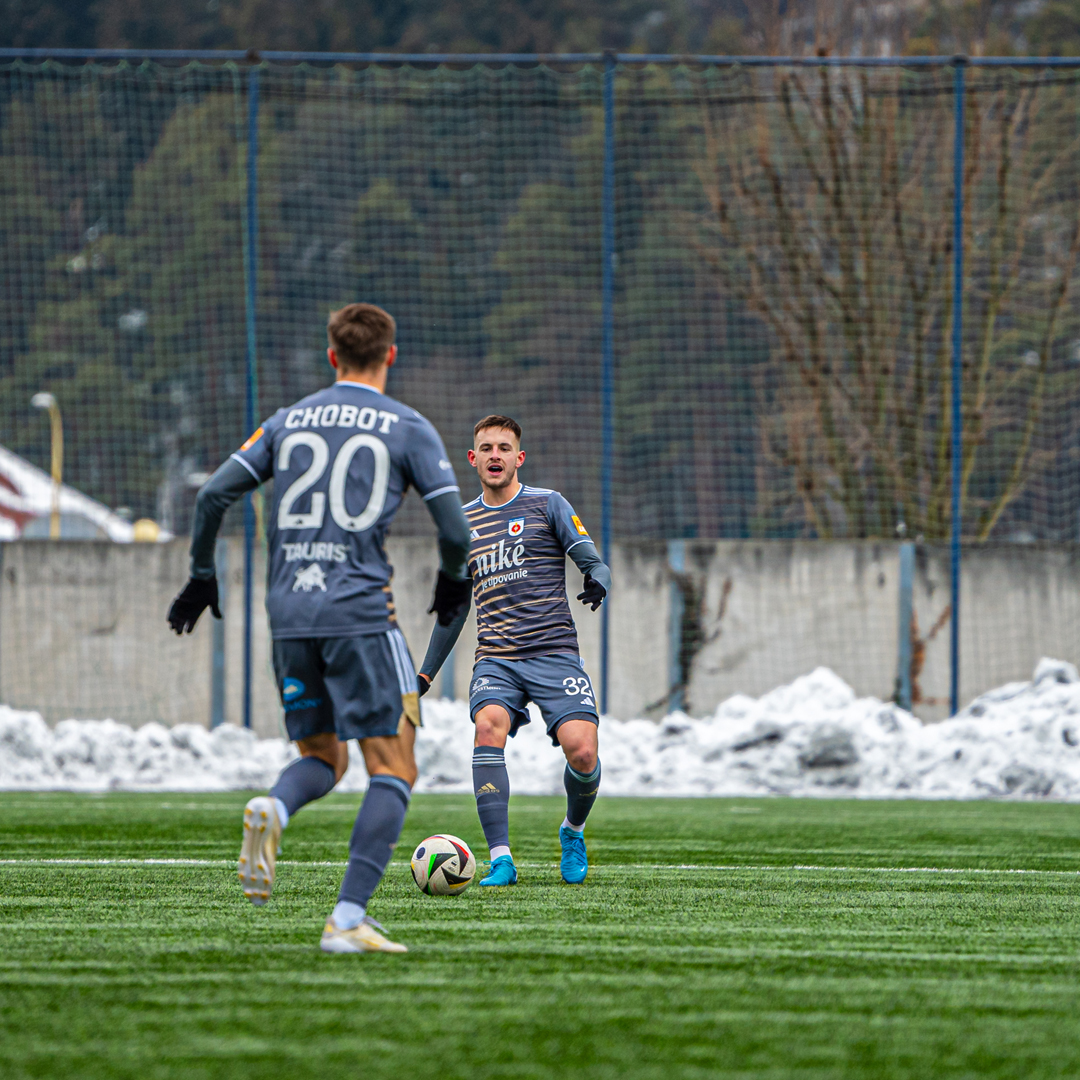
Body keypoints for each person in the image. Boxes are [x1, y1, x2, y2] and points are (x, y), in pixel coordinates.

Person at [167, 303, 470, 954]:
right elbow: (454, 530)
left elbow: (212, 495)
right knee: (394, 767)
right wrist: (453, 580)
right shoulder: (408, 426)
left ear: (332, 356)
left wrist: (202, 576)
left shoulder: (287, 420)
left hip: (287, 616)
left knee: (324, 758)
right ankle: (347, 919)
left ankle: (275, 807)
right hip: (360, 614)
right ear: (390, 356)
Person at [416, 415, 610, 887]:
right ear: (473, 458)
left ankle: (573, 831)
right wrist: (424, 673)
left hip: (554, 651)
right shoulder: (461, 524)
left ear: (519, 458)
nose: (495, 455)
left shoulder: (548, 504)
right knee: (487, 727)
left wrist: (596, 579)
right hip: (497, 658)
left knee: (583, 753)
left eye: (504, 448)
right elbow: (454, 609)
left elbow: (593, 560)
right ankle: (501, 859)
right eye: (487, 448)